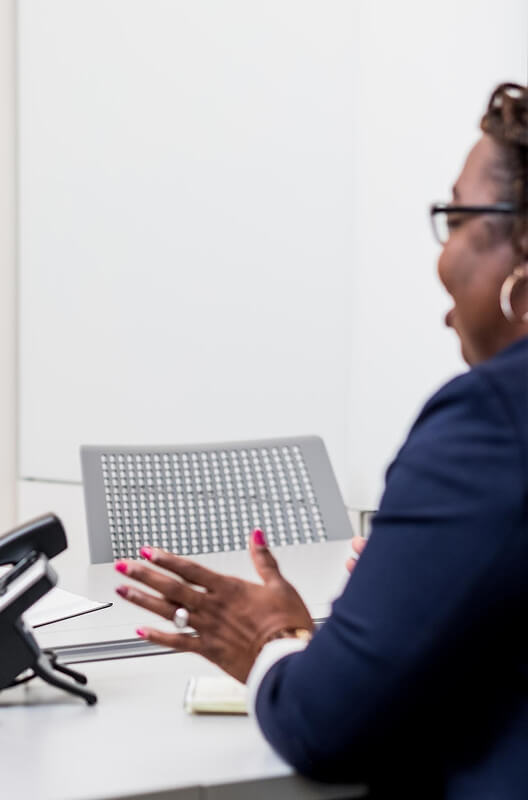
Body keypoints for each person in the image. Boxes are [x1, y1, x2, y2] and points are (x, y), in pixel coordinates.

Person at [115, 83, 528, 797]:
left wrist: (273, 645)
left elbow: (326, 723)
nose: (441, 257)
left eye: (456, 216)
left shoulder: (492, 420)